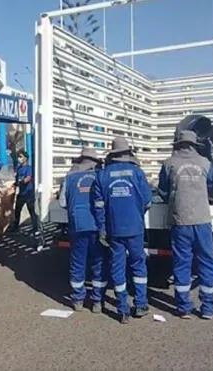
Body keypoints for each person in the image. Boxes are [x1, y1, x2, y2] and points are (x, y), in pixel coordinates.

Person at [158, 129, 213, 320]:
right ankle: (207, 308)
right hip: (202, 221)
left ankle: (183, 307)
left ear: (177, 144)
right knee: (206, 262)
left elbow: (163, 190)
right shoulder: (206, 163)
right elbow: (211, 185)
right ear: (195, 145)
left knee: (182, 262)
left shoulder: (169, 164)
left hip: (180, 221)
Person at [92, 137, 152, 324]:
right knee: (138, 265)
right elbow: (147, 201)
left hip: (114, 230)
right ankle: (141, 304)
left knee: (117, 267)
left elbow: (98, 206)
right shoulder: (137, 173)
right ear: (128, 154)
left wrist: (102, 229)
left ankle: (122, 309)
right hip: (135, 228)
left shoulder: (101, 175)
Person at [59, 148, 107, 313]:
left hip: (77, 225)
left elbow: (62, 203)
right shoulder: (100, 175)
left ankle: (78, 299)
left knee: (78, 263)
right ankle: (97, 301)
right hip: (96, 225)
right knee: (98, 263)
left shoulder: (70, 176)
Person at [8, 150, 39, 236]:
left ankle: (35, 228)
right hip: (21, 194)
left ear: (25, 158)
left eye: (20, 157)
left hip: (29, 194)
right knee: (17, 210)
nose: (19, 158)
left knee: (31, 211)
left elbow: (28, 178)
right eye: (18, 157)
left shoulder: (29, 168)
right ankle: (16, 227)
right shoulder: (19, 168)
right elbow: (17, 179)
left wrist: (21, 181)